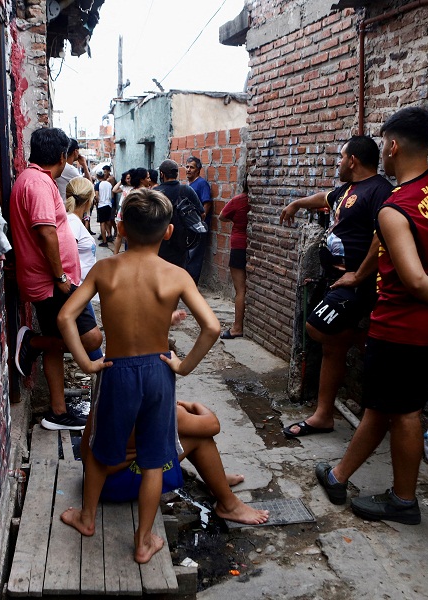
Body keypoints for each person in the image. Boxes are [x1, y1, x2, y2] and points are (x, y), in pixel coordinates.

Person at [316, 108, 428, 524]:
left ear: (392, 148)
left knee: (405, 411)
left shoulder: (396, 208)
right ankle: (339, 475)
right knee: (384, 405)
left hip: (404, 326)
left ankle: (404, 501)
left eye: (385, 144)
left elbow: (412, 278)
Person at [58, 188, 221, 563]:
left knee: (101, 451)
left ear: (121, 227)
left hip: (116, 371)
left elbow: (66, 316)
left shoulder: (104, 269)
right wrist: (183, 365)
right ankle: (143, 541)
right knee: (154, 460)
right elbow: (211, 327)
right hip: (159, 371)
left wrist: (86, 363)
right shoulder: (176, 275)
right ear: (168, 232)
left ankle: (86, 518)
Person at [279, 136, 394, 437]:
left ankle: (369, 341)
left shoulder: (380, 191)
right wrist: (296, 203)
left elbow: (382, 236)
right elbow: (324, 198)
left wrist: (359, 275)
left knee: (318, 329)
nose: (339, 163)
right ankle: (323, 416)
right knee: (330, 343)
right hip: (333, 279)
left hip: (355, 283)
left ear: (353, 160)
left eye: (341, 157)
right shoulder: (347, 189)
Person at [9, 127, 104, 431]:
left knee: (58, 343)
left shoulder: (36, 179)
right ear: (63, 156)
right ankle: (33, 342)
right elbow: (45, 231)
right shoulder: (37, 183)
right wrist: (60, 275)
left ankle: (58, 412)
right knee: (91, 339)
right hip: (53, 283)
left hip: (52, 281)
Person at [78, 398, 270, 525]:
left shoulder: (112, 391)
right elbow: (213, 425)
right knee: (199, 438)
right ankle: (228, 505)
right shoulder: (163, 408)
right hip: (115, 485)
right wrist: (194, 405)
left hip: (94, 481)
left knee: (172, 433)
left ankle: (217, 479)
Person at [154, 158, 204, 271]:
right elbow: (201, 214)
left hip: (158, 243)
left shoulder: (155, 193)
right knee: (178, 274)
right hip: (181, 243)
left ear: (161, 174)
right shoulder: (187, 190)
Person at [218, 182, 251, 339]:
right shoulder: (254, 201)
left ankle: (237, 327)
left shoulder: (239, 200)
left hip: (238, 246)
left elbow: (222, 216)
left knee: (240, 289)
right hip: (253, 246)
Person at [184, 156, 212, 284]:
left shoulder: (202, 184)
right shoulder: (188, 184)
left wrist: (200, 222)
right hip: (189, 226)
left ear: (198, 170)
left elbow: (207, 203)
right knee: (188, 255)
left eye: (192, 167)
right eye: (187, 167)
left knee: (195, 256)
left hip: (198, 227)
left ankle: (191, 285)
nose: (188, 170)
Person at [64, 177, 98, 280]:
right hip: (79, 286)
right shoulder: (72, 221)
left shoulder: (74, 220)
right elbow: (65, 257)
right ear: (89, 201)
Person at [94, 171, 114, 247]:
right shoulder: (109, 184)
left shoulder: (98, 185)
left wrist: (97, 202)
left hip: (101, 205)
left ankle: (104, 241)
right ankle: (109, 235)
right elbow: (112, 195)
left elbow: (96, 196)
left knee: (102, 223)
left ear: (98, 177)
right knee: (107, 221)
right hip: (108, 205)